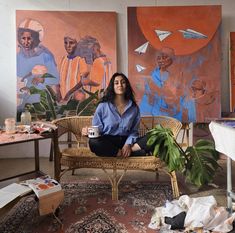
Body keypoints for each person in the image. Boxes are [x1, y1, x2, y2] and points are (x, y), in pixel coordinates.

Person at [82, 72, 150, 157]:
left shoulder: (134, 108)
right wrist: (87, 132)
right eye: (116, 83)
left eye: (123, 82)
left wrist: (128, 144)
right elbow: (98, 130)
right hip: (108, 142)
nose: (120, 85)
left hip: (127, 142)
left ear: (127, 85)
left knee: (155, 137)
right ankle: (124, 153)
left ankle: (127, 152)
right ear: (112, 86)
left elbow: (134, 132)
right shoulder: (103, 106)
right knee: (93, 142)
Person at [17, 18, 60, 111]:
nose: (26, 42)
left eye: (29, 38)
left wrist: (42, 79)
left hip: (41, 102)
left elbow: (56, 79)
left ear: (36, 39)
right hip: (23, 102)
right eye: (23, 38)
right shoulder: (18, 56)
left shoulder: (45, 56)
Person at [139, 47, 183, 120]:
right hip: (151, 114)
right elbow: (149, 98)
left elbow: (177, 99)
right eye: (159, 57)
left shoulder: (176, 76)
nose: (161, 60)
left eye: (165, 57)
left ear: (172, 59)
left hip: (169, 117)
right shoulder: (151, 75)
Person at [58, 34, 89, 103]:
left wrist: (68, 94)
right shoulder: (64, 59)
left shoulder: (81, 60)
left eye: (71, 43)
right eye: (66, 43)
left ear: (77, 44)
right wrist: (59, 95)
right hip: (64, 100)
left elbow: (82, 82)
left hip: (77, 100)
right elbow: (60, 80)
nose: (68, 46)